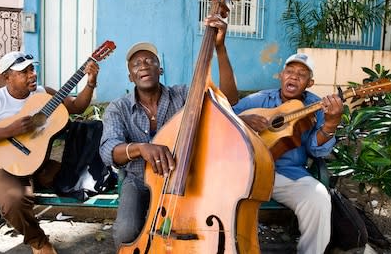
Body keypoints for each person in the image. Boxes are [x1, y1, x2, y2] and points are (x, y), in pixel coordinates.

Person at [99, 15, 238, 249]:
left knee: (197, 233)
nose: (143, 65)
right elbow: (108, 150)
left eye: (149, 61)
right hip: (139, 180)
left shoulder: (185, 95)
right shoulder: (118, 107)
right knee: (125, 231)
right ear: (130, 77)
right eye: (136, 64)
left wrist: (220, 49)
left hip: (183, 178)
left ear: (160, 69)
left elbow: (229, 99)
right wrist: (141, 148)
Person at [0, 51, 99, 254]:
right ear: (7, 77)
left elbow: (77, 107)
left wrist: (91, 83)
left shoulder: (44, 94)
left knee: (88, 180)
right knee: (13, 202)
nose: (32, 74)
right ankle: (39, 243)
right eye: (23, 72)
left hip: (39, 164)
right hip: (6, 166)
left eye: (32, 69)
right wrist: (9, 130)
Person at [233, 53, 343, 254]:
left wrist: (330, 124)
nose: (293, 77)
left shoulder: (317, 106)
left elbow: (316, 149)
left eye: (301, 74)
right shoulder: (260, 99)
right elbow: (225, 115)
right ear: (281, 75)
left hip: (287, 174)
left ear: (310, 83)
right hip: (248, 169)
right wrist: (244, 121)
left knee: (318, 198)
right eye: (290, 71)